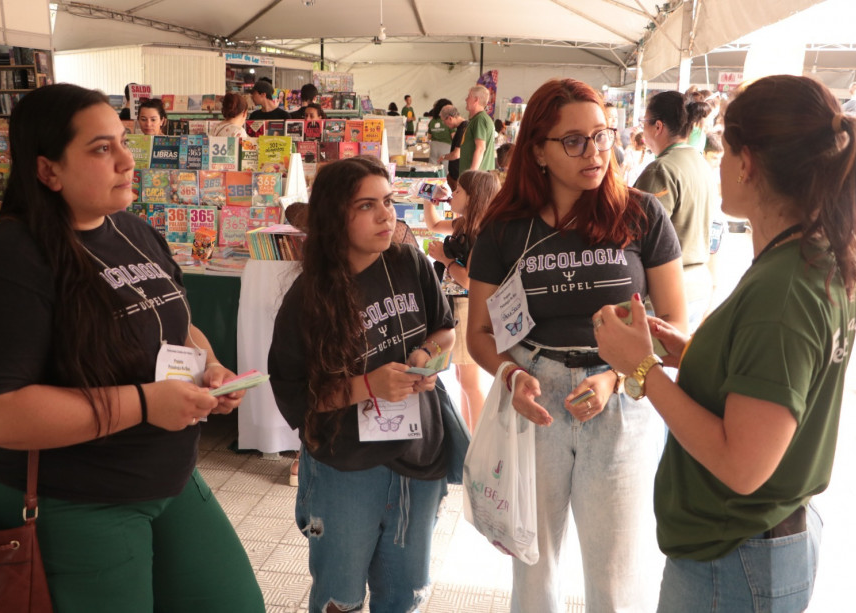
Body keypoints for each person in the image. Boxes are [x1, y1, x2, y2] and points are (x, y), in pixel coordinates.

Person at [0, 83, 265, 612]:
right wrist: (147, 403)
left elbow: (179, 324)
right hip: (71, 497)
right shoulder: (8, 255)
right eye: (102, 148)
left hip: (169, 474)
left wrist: (212, 368)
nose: (127, 160)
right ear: (48, 171)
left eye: (124, 141)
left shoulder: (133, 229)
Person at [594, 73, 856, 613]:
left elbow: (743, 464)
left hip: (738, 555)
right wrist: (691, 353)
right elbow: (772, 383)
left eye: (724, 147)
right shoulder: (806, 256)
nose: (716, 161)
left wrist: (642, 370)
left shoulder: (784, 290)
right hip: (756, 544)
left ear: (747, 162)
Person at [467, 78, 687, 613]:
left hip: (619, 401)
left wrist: (617, 375)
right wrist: (513, 377)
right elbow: (479, 333)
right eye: (573, 141)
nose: (593, 152)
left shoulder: (640, 214)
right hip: (534, 400)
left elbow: (677, 318)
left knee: (614, 578)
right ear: (538, 151)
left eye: (601, 136)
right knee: (534, 571)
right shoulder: (504, 229)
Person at [268, 155, 456, 613]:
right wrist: (366, 386)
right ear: (336, 217)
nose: (386, 215)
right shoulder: (307, 298)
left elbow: (445, 329)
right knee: (340, 597)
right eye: (367, 206)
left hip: (418, 456)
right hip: (346, 466)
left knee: (405, 593)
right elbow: (297, 395)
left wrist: (425, 357)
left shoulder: (408, 261)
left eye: (388, 202)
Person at [424, 170, 500, 431]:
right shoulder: (463, 224)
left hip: (469, 307)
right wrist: (428, 200)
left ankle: (475, 439)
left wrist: (444, 259)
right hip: (458, 304)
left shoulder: (478, 232)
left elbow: (469, 280)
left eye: (458, 191)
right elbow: (433, 225)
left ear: (473, 197)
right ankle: (470, 434)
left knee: (469, 380)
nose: (452, 194)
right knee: (462, 377)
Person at [635, 90, 716, 330]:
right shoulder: (701, 163)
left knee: (649, 366)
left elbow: (640, 236)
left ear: (657, 127)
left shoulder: (661, 170)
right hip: (698, 286)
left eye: (644, 123)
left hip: (667, 292)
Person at [460, 85, 497, 176]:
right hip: (478, 174)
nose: (466, 99)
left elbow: (480, 148)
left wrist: (471, 174)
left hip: (476, 176)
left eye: (469, 96)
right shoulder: (478, 119)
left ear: (476, 100)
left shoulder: (479, 119)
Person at [437, 104, 467, 186]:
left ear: (450, 118)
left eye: (444, 121)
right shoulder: (460, 128)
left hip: (458, 176)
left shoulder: (463, 129)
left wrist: (443, 157)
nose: (444, 123)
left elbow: (456, 154)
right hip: (454, 174)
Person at [427, 98, 454, 172]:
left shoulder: (432, 121)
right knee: (446, 171)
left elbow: (429, 137)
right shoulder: (448, 120)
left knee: (433, 170)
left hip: (434, 147)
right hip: (446, 147)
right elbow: (454, 136)